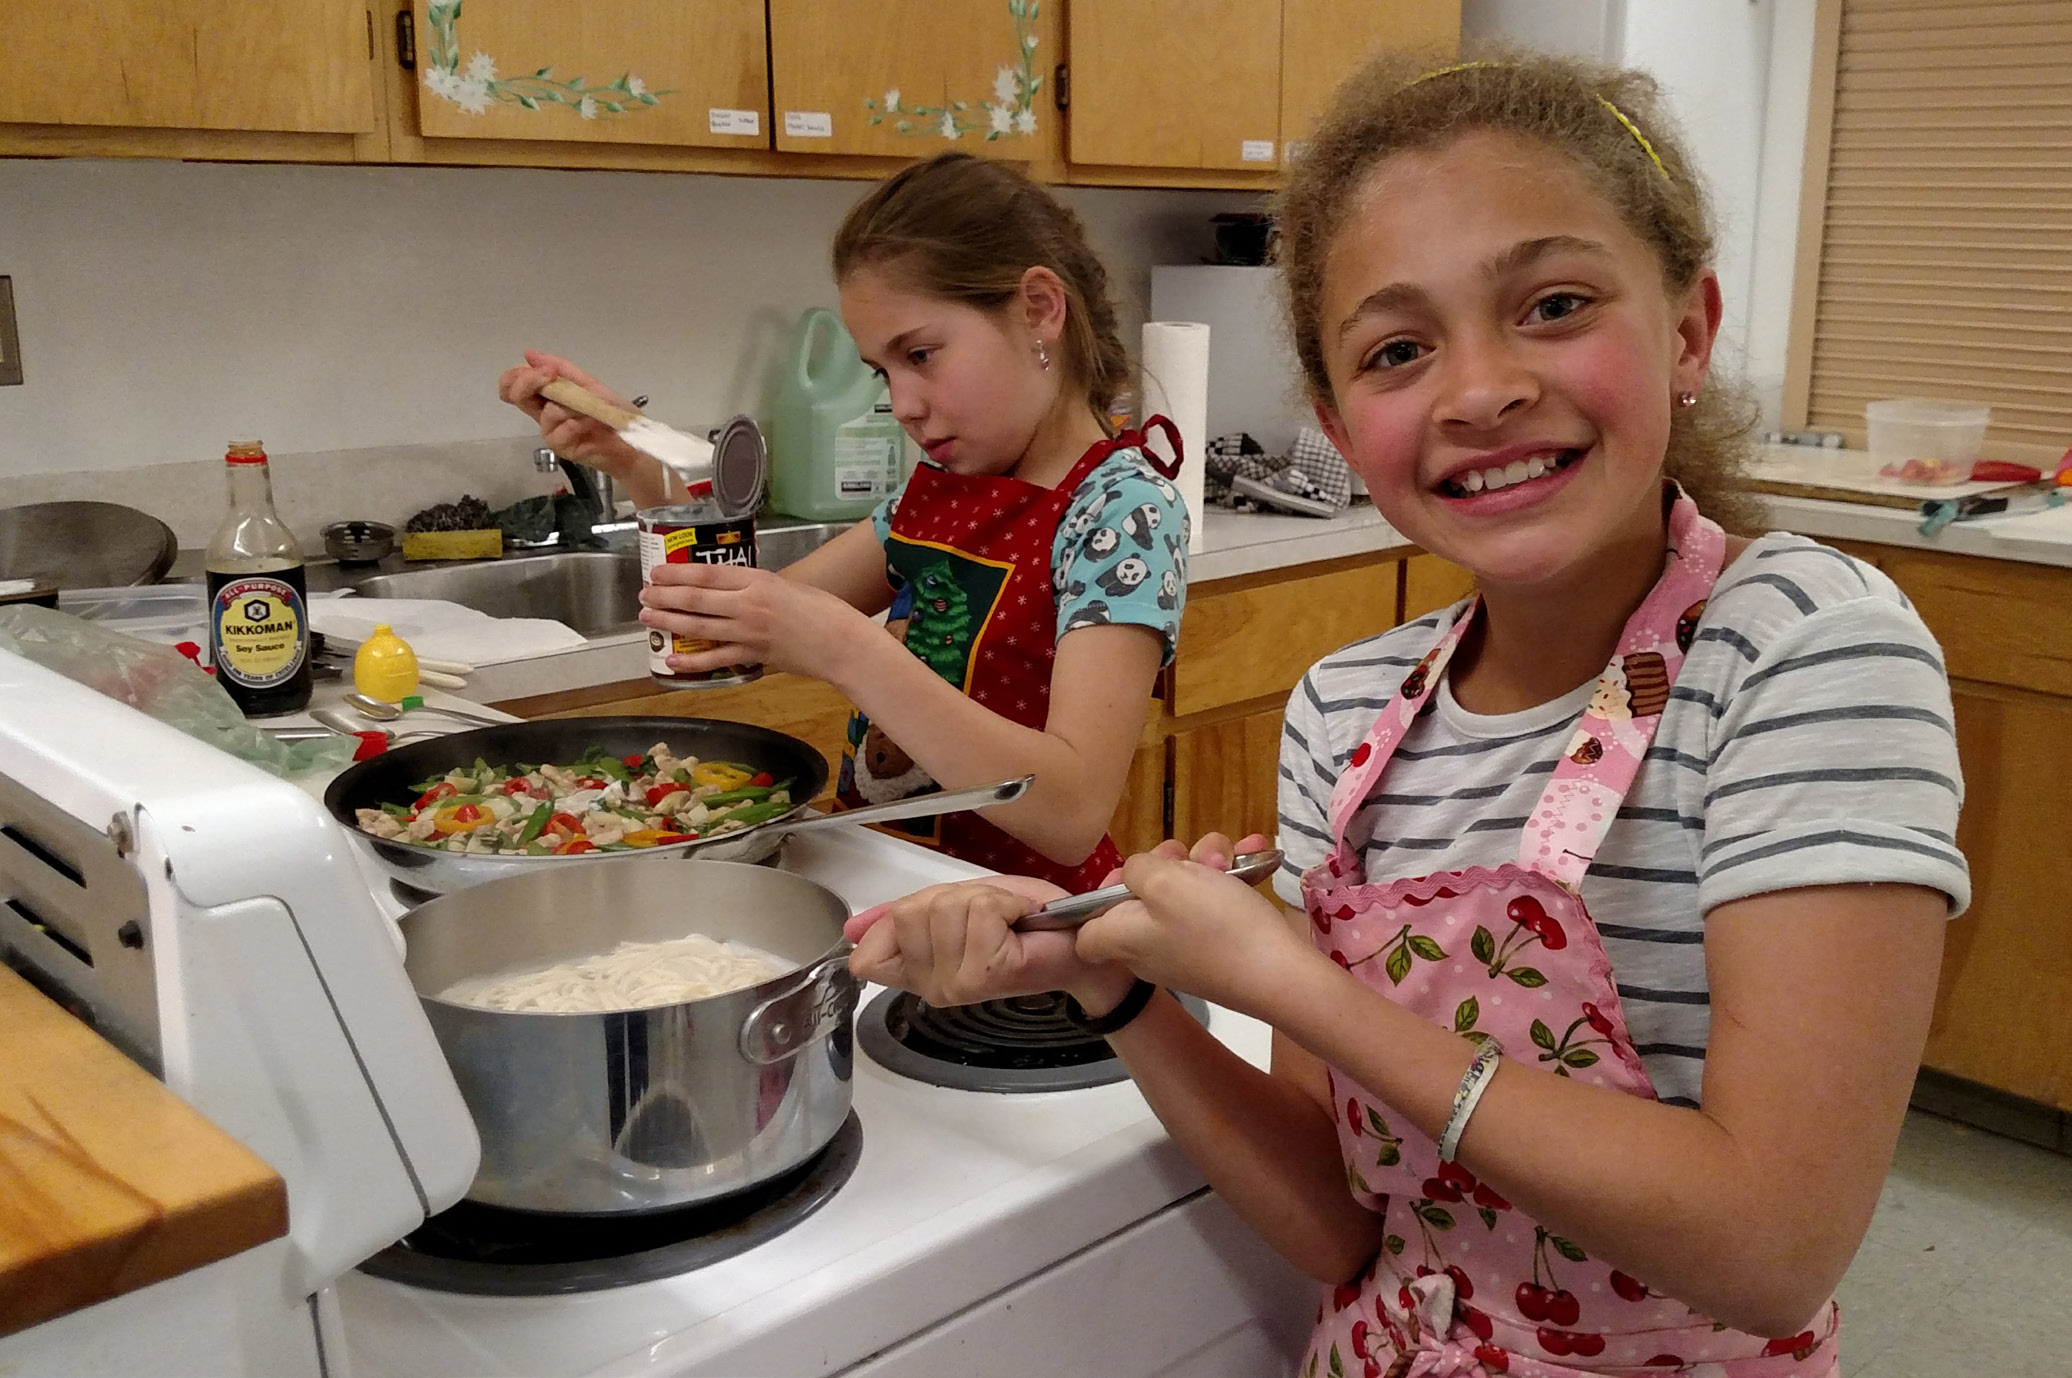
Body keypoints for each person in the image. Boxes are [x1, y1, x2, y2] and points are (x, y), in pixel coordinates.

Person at [846, 53, 1966, 1377]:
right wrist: (1124, 988)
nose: (1477, 389)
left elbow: (1770, 1246)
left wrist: (1291, 985)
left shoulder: (1808, 652)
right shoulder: (1347, 713)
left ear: (1686, 329)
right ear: (1336, 419)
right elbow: (1335, 1225)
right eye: (1397, 349)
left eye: (1553, 304)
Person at [499, 152, 1189, 891]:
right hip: (887, 886)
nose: (904, 403)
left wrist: (849, 649)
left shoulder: (1123, 512)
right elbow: (738, 628)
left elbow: (1070, 811)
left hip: (1025, 939)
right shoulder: (939, 489)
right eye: (881, 372)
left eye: (920, 354)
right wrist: (634, 457)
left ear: (1039, 309)